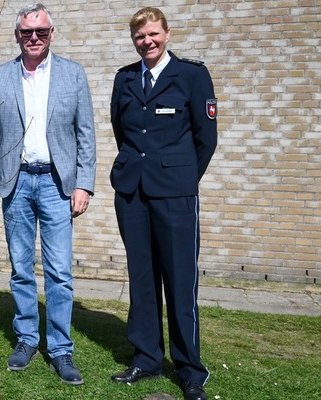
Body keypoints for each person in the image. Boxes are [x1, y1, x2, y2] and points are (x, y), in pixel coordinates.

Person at [0, 2, 95, 386]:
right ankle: (28, 338)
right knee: (20, 269)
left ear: (51, 34)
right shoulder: (0, 77)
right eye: (27, 32)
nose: (34, 38)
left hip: (57, 184)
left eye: (41, 32)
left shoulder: (73, 75)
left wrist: (84, 184)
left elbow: (86, 135)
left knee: (60, 272)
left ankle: (61, 349)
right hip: (16, 184)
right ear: (17, 35)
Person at [109, 7, 217, 400]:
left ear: (167, 34)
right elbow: (122, 131)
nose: (147, 42)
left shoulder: (191, 75)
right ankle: (146, 358)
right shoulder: (125, 78)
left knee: (180, 282)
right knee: (141, 278)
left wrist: (181, 176)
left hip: (175, 194)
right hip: (133, 193)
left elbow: (206, 138)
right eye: (140, 37)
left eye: (153, 34)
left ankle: (191, 370)